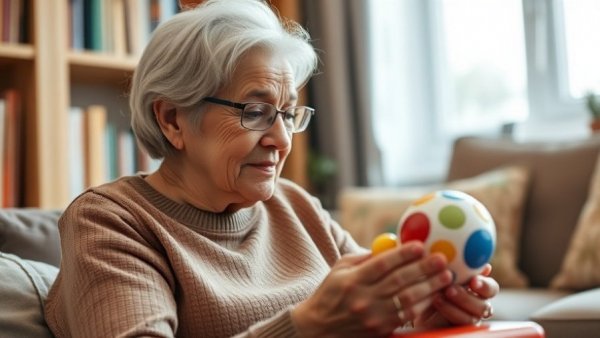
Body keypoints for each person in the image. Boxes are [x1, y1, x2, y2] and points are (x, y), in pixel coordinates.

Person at [44, 0, 498, 337]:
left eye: (288, 114)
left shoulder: (295, 205)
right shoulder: (111, 222)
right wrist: (305, 327)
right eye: (256, 112)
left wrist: (424, 319)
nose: (281, 141)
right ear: (172, 119)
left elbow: (375, 317)